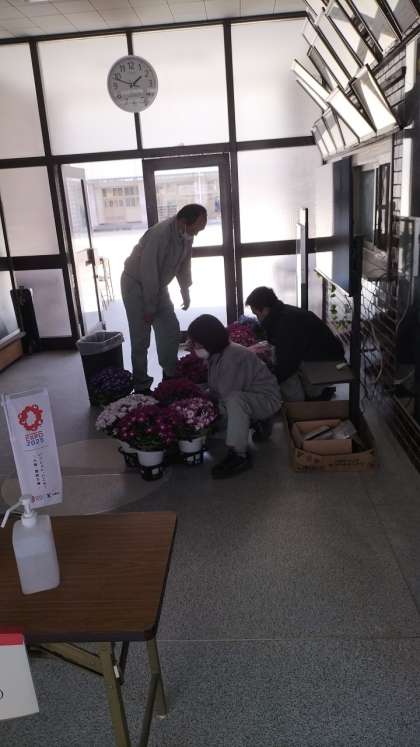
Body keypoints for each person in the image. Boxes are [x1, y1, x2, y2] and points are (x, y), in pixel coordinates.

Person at [121, 204, 207, 394]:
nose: (196, 234)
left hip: (158, 286)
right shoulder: (160, 235)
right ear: (183, 221)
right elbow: (148, 272)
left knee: (170, 329)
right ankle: (142, 386)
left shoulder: (186, 235)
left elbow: (184, 263)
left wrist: (185, 289)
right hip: (136, 285)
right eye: (196, 229)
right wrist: (149, 308)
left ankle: (170, 375)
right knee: (141, 338)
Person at [188, 314, 282, 479]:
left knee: (233, 402)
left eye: (196, 341)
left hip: (266, 400)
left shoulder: (232, 357)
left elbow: (227, 396)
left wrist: (204, 419)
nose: (193, 345)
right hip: (249, 396)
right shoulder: (217, 354)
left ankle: (239, 455)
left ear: (209, 339)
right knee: (212, 405)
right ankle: (258, 422)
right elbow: (215, 388)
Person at [245, 287, 345, 402]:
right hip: (323, 354)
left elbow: (287, 365)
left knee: (287, 383)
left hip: (328, 362)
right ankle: (312, 394)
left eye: (257, 314)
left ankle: (299, 404)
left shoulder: (286, 324)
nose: (257, 319)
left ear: (266, 310)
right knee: (278, 364)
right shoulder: (283, 312)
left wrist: (267, 381)